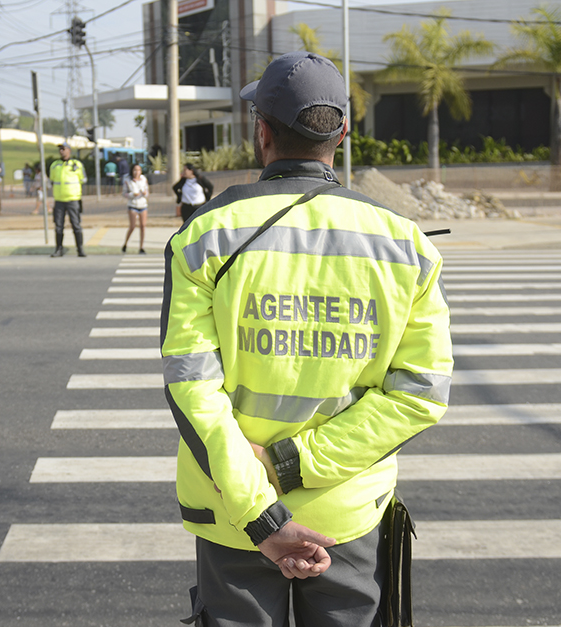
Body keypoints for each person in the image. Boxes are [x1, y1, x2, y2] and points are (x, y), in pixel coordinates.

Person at [160, 51, 453, 627]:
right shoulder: (407, 246)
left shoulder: (204, 238)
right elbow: (421, 393)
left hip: (233, 514)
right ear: (341, 133)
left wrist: (264, 516)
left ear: (261, 131)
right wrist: (295, 464)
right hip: (345, 513)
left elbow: (193, 392)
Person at [49, 144, 87, 257]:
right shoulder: (55, 165)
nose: (61, 151)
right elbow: (52, 180)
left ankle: (80, 249)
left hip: (73, 199)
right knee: (58, 226)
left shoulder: (77, 164)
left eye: (63, 149)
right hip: (59, 199)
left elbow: (83, 179)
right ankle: (58, 249)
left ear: (69, 150)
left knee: (76, 224)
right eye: (60, 149)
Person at [121, 163, 149, 254]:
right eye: (135, 170)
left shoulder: (143, 179)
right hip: (133, 205)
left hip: (143, 205)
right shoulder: (128, 180)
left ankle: (141, 247)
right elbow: (124, 194)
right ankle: (125, 244)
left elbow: (147, 192)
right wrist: (132, 194)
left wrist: (145, 193)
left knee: (143, 226)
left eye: (139, 170)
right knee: (132, 226)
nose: (137, 172)